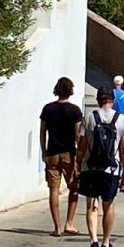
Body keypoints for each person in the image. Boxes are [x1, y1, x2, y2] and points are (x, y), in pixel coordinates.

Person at [75, 86, 124, 247]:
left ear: (98, 100)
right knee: (108, 206)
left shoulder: (89, 117)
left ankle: (93, 242)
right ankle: (106, 243)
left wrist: (77, 167)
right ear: (113, 100)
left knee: (91, 206)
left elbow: (81, 146)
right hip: (111, 170)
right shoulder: (122, 119)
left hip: (90, 168)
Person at [39, 76, 83, 237]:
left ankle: (57, 227)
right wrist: (80, 155)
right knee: (74, 188)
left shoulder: (47, 109)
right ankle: (69, 223)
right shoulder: (75, 110)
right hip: (68, 154)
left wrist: (44, 151)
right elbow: (77, 135)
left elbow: (42, 132)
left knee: (54, 190)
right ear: (70, 91)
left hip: (52, 153)